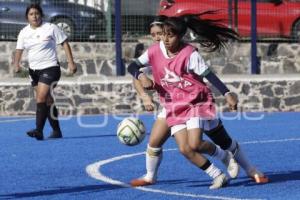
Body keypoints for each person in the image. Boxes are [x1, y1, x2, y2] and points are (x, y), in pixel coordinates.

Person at [129, 14, 269, 189]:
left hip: (196, 102)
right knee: (169, 145)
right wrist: (142, 81)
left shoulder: (189, 54)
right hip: (172, 104)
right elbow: (133, 68)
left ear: (179, 36)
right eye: (157, 34)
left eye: (165, 34)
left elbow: (209, 76)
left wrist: (227, 93)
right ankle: (151, 176)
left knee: (220, 141)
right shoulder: (153, 51)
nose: (160, 38)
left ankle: (251, 170)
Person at [13, 4, 77, 140]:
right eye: (31, 14)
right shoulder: (24, 32)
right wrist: (16, 64)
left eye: (37, 13)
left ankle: (39, 130)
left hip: (51, 68)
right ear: (27, 17)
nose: (34, 16)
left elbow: (64, 43)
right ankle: (56, 131)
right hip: (34, 71)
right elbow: (19, 49)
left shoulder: (51, 28)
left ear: (41, 15)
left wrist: (71, 63)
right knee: (47, 100)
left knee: (41, 98)